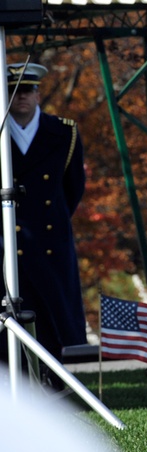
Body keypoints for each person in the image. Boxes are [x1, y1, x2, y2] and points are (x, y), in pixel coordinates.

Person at [1, 62, 87, 369]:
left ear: (38, 94)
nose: (20, 97)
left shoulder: (64, 132)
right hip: (7, 244)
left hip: (50, 242)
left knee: (53, 324)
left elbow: (72, 189)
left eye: (27, 90)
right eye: (13, 91)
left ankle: (54, 384)